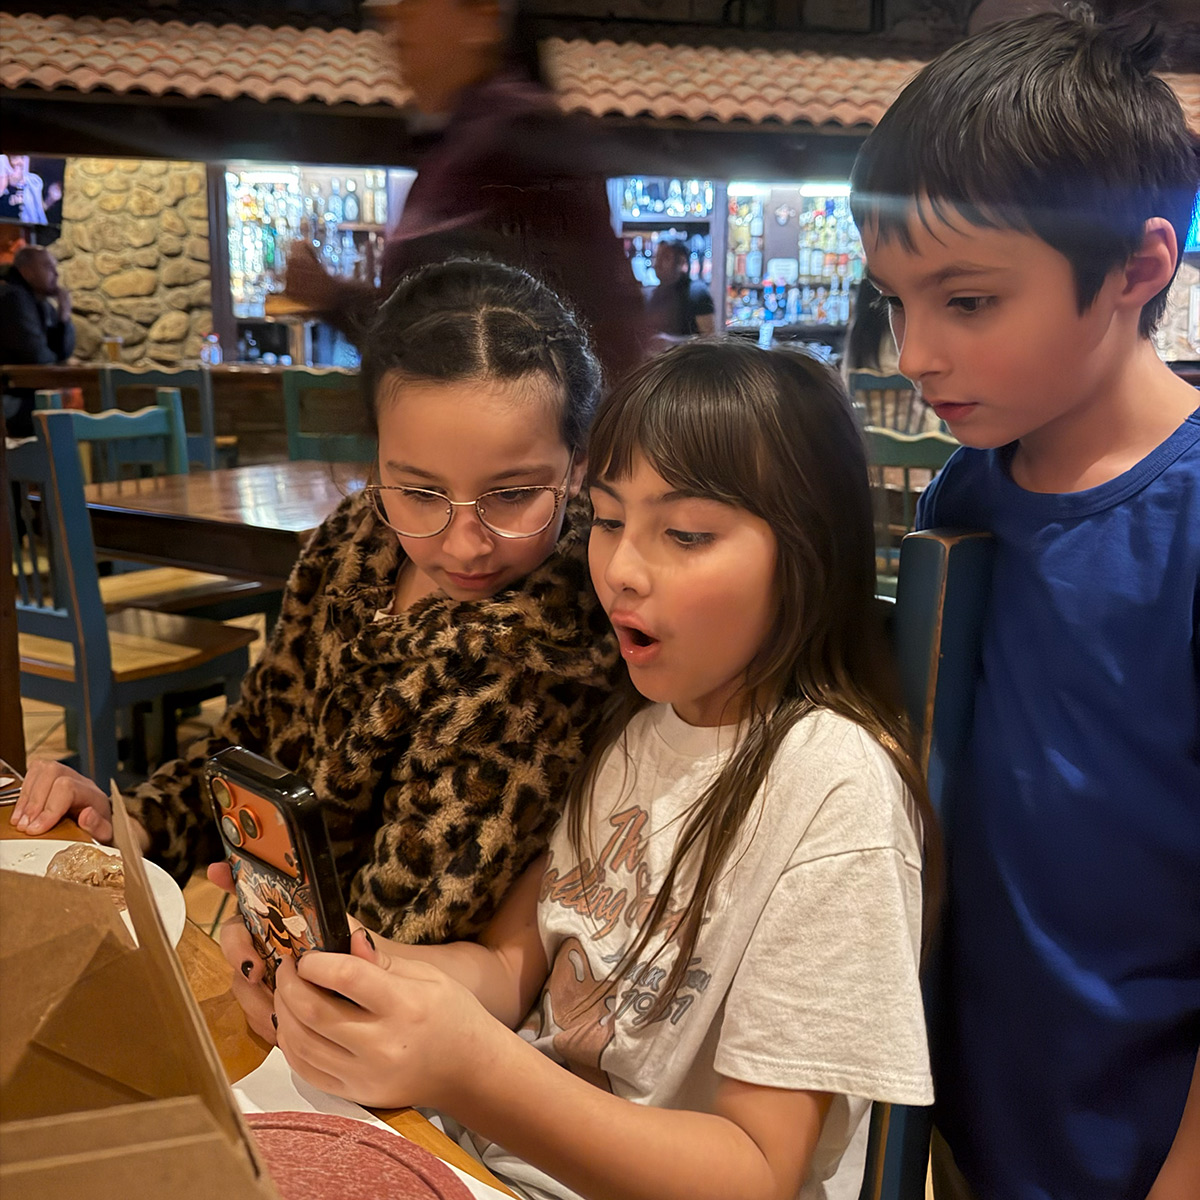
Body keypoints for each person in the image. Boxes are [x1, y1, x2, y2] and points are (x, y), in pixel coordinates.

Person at [258, 340, 936, 1200]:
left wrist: (472, 1070)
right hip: (472, 1159)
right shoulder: (632, 730)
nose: (620, 571)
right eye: (609, 520)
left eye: (685, 534)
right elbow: (510, 971)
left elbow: (758, 1172)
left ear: (808, 555)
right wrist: (352, 968)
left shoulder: (833, 790)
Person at [13, 259, 623, 1034]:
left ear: (577, 469)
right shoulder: (352, 545)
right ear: (375, 462)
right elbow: (255, 744)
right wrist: (128, 824)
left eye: (512, 494)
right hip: (282, 971)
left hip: (399, 1033)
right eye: (419, 490)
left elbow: (409, 923)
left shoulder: (543, 657)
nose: (465, 543)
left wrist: (276, 953)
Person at [849, 9, 1200, 1200]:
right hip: (973, 1117)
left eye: (969, 302)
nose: (917, 353)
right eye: (894, 302)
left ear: (1139, 269)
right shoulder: (969, 485)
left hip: (1144, 1142)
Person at [285, 0, 645, 384]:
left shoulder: (516, 136)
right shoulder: (463, 142)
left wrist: (335, 300)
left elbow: (433, 336)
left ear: (483, 17)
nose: (389, 19)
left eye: (410, 6)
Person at [0, 244, 75, 438]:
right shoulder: (13, 298)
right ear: (27, 271)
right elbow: (37, 356)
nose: (56, 274)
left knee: (71, 408)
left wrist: (63, 317)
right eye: (48, 267)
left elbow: (63, 352)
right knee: (70, 417)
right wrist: (53, 357)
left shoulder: (38, 302)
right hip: (11, 398)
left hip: (27, 393)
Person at [645, 237, 715, 339]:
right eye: (656, 257)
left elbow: (710, 338)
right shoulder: (653, 294)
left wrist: (672, 342)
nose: (657, 264)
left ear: (681, 262)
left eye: (665, 258)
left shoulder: (697, 292)